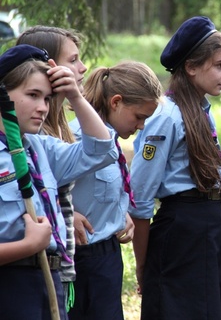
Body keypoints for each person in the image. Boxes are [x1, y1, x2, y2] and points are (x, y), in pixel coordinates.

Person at [129, 16, 221, 320]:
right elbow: (140, 196)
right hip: (181, 229)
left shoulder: (200, 110)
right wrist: (143, 264)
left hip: (207, 226)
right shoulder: (167, 115)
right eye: (219, 65)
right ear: (191, 67)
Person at [0, 44, 117, 319]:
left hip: (50, 280)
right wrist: (28, 246)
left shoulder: (40, 149)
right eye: (33, 95)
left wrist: (75, 97)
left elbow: (102, 150)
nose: (43, 108)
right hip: (10, 284)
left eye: (49, 98)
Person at [67, 61, 162, 320]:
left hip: (107, 257)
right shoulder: (77, 137)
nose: (141, 126)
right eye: (139, 117)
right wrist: (65, 211)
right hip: (79, 260)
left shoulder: (112, 140)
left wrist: (121, 213)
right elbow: (44, 185)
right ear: (116, 102)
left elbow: (104, 189)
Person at [16, 25, 88, 311]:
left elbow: (101, 152)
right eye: (72, 60)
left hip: (61, 263)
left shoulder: (57, 127)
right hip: (33, 269)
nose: (82, 68)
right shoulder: (34, 136)